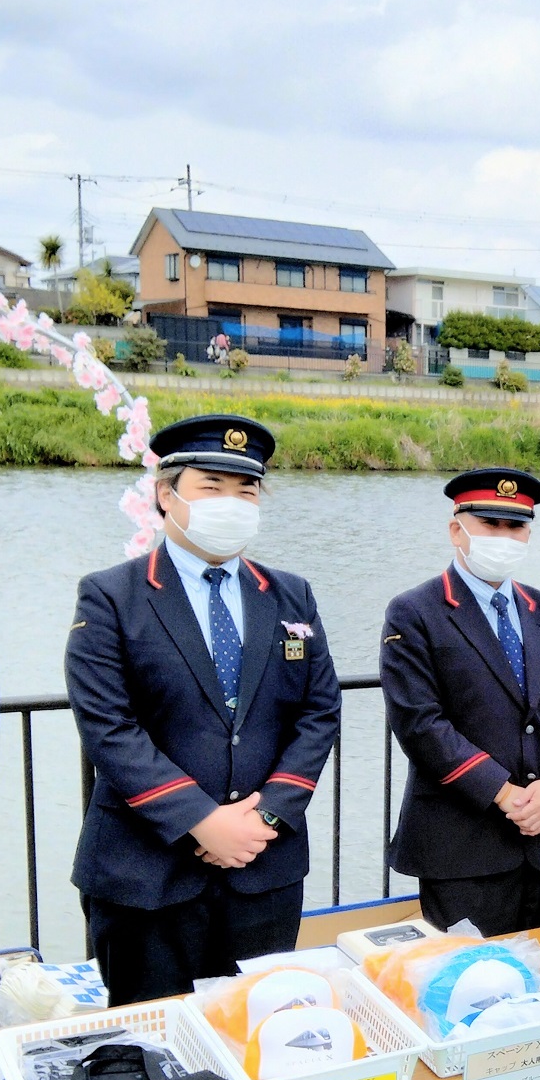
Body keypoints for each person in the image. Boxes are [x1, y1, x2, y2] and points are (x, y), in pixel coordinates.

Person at [66, 413, 341, 1007]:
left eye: (246, 490)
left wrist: (268, 815)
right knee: (152, 1058)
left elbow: (320, 712)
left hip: (263, 871)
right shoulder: (112, 594)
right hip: (146, 876)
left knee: (260, 1035)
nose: (232, 503)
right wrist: (201, 820)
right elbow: (109, 728)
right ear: (166, 494)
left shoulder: (290, 593)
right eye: (210, 488)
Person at [379, 467, 540, 1080]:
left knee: (536, 977)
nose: (503, 537)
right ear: (457, 529)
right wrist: (505, 793)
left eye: (515, 525)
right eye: (490, 524)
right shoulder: (414, 612)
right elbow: (420, 723)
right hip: (464, 835)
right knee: (459, 980)